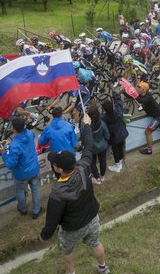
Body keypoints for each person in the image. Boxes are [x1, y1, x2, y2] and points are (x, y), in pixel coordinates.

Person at [39, 116, 110, 274]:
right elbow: (89, 146)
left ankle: (72, 273)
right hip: (92, 218)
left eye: (54, 163)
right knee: (95, 243)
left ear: (58, 168)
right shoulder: (84, 166)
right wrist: (86, 126)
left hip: (72, 228)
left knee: (67, 251)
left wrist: (44, 236)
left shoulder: (58, 191)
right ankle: (103, 267)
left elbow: (52, 221)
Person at [0, 118, 43, 218]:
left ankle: (22, 209)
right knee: (36, 189)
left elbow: (10, 164)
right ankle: (37, 209)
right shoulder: (30, 134)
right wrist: (9, 143)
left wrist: (3, 153)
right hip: (34, 169)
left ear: (13, 129)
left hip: (21, 174)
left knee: (20, 191)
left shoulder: (14, 145)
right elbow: (23, 142)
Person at [38, 106, 78, 175]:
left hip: (56, 159)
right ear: (62, 114)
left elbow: (42, 142)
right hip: (69, 156)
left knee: (59, 177)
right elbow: (74, 143)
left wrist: (40, 137)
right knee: (72, 175)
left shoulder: (48, 128)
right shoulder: (69, 126)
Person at [136, 81, 160, 155]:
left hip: (158, 117)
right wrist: (124, 92)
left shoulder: (148, 96)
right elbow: (134, 97)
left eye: (139, 87)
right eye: (137, 87)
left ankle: (149, 150)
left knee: (147, 133)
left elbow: (142, 100)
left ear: (144, 89)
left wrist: (134, 94)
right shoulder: (142, 94)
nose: (137, 88)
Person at [102, 90, 129, 173]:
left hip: (114, 138)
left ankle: (117, 165)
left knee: (115, 150)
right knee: (120, 148)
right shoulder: (118, 112)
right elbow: (119, 102)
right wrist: (115, 94)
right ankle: (120, 163)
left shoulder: (104, 119)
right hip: (122, 133)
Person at [87, 103, 110, 184]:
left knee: (92, 163)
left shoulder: (86, 127)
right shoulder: (102, 124)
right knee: (102, 161)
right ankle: (102, 176)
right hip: (102, 146)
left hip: (92, 148)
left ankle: (97, 178)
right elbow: (107, 135)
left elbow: (83, 138)